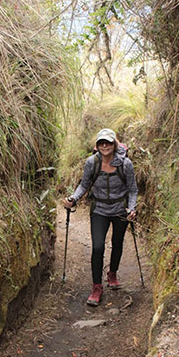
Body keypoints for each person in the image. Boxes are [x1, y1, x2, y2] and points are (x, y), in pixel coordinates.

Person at [64, 128, 138, 306]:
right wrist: (73, 198)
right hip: (99, 210)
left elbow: (133, 189)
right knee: (97, 247)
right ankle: (97, 287)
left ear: (114, 144)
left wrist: (132, 208)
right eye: (101, 142)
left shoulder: (125, 164)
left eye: (108, 142)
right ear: (97, 145)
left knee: (117, 243)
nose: (104, 146)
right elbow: (84, 184)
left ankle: (112, 273)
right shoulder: (92, 162)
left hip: (120, 209)